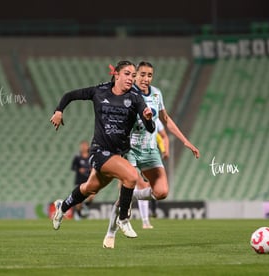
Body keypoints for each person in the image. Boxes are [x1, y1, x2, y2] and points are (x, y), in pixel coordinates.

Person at [50, 60, 155, 238]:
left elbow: (151, 128)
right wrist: (59, 110)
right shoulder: (100, 91)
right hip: (99, 151)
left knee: (89, 189)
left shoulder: (136, 98)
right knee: (131, 176)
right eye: (127, 74)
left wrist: (148, 118)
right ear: (117, 74)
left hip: (117, 154)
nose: (132, 78)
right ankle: (123, 219)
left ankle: (63, 206)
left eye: (133, 75)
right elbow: (70, 95)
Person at [103, 61, 200, 249]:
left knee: (162, 192)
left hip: (151, 150)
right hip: (130, 149)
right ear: (135, 75)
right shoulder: (127, 93)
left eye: (149, 75)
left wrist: (185, 140)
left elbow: (165, 119)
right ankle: (110, 232)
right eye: (142, 74)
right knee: (128, 184)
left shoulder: (156, 94)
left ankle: (129, 197)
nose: (146, 79)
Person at [71, 140, 93, 219]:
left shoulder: (91, 156)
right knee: (79, 200)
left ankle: (85, 206)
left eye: (85, 145)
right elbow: (73, 167)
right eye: (82, 146)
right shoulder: (77, 157)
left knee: (92, 196)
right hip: (79, 180)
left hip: (89, 180)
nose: (84, 147)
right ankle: (79, 214)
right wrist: (79, 169)